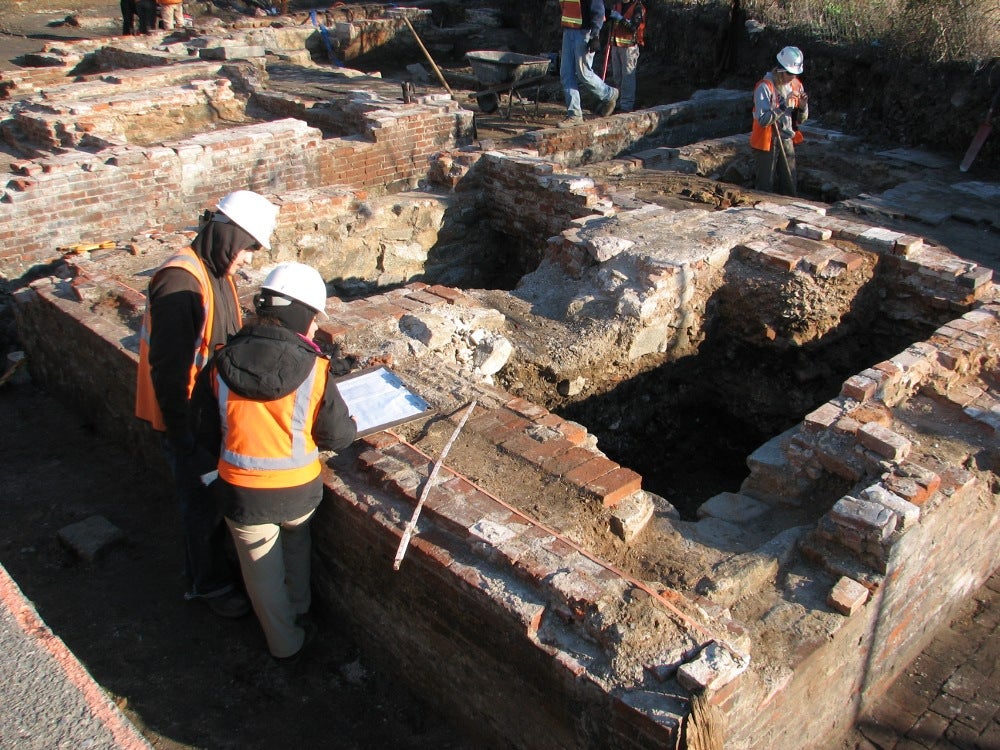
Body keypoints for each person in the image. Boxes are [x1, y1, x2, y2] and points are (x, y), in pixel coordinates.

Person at [192, 263, 358, 661]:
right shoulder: (315, 368)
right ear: (299, 314)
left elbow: (200, 432)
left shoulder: (219, 363)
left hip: (243, 497)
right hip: (300, 492)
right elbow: (337, 436)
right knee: (297, 542)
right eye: (314, 318)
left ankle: (286, 644)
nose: (316, 328)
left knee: (260, 574)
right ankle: (300, 612)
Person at [135, 190, 279, 618]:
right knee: (200, 505)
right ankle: (208, 585)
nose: (250, 259)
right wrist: (185, 443)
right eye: (249, 247)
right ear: (229, 235)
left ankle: (217, 570)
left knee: (211, 500)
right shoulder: (181, 283)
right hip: (185, 421)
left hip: (207, 413)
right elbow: (170, 371)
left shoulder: (213, 270)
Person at [751, 46, 809, 196]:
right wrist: (782, 107)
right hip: (767, 142)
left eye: (796, 74)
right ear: (781, 70)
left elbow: (801, 119)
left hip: (786, 138)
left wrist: (802, 108)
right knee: (765, 187)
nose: (793, 77)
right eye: (790, 73)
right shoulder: (765, 87)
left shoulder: (797, 85)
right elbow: (763, 120)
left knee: (790, 185)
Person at [558, 0, 620, 127]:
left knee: (584, 73)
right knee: (566, 74)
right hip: (569, 31)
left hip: (584, 33)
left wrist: (595, 36)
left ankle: (609, 94)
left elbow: (598, 10)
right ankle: (574, 114)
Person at [607, 0, 646, 113]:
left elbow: (633, 27)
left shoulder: (638, 7)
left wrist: (620, 18)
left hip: (629, 47)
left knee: (627, 77)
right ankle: (619, 102)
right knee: (617, 76)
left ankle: (626, 106)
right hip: (615, 45)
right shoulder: (617, 5)